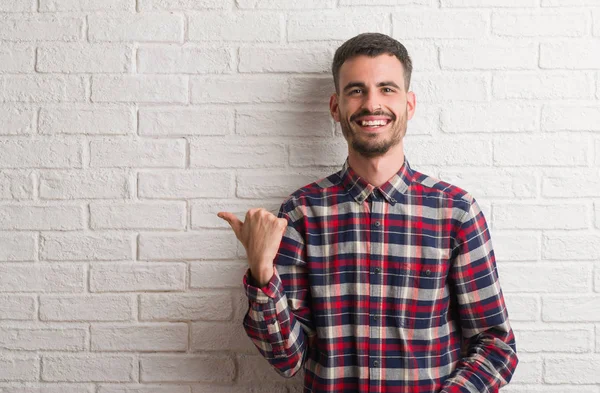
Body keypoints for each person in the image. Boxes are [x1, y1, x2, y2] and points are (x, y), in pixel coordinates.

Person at [218, 32, 517, 393]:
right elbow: (288, 360)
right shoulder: (300, 214)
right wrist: (262, 272)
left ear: (409, 104)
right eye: (356, 90)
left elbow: (495, 346)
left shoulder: (455, 212)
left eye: (387, 89)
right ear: (335, 106)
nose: (372, 104)